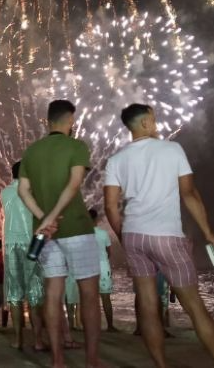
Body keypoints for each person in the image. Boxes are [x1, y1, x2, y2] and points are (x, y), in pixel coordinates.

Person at [104, 103, 214, 367]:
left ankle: (161, 366)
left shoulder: (116, 159)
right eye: (153, 119)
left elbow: (110, 206)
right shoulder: (172, 150)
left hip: (134, 236)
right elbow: (188, 193)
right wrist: (208, 232)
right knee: (195, 306)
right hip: (166, 235)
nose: (156, 124)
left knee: (148, 307)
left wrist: (124, 236)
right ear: (144, 123)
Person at [18, 100, 101, 368]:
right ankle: (91, 361)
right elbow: (74, 185)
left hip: (46, 236)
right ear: (70, 120)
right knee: (88, 293)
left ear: (47, 121)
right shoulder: (76, 146)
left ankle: (57, 361)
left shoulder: (31, 152)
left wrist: (44, 221)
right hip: (76, 227)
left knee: (53, 294)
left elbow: (22, 191)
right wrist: (54, 218)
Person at [1, 161, 45, 350]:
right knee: (35, 293)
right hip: (33, 243)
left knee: (15, 295)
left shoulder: (5, 192)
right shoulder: (34, 192)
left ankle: (18, 339)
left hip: (11, 244)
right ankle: (37, 340)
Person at [89, 209, 116, 332]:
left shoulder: (85, 235)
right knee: (106, 298)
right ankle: (110, 326)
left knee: (91, 299)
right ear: (96, 219)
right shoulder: (103, 233)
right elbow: (109, 252)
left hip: (89, 267)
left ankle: (93, 326)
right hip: (103, 266)